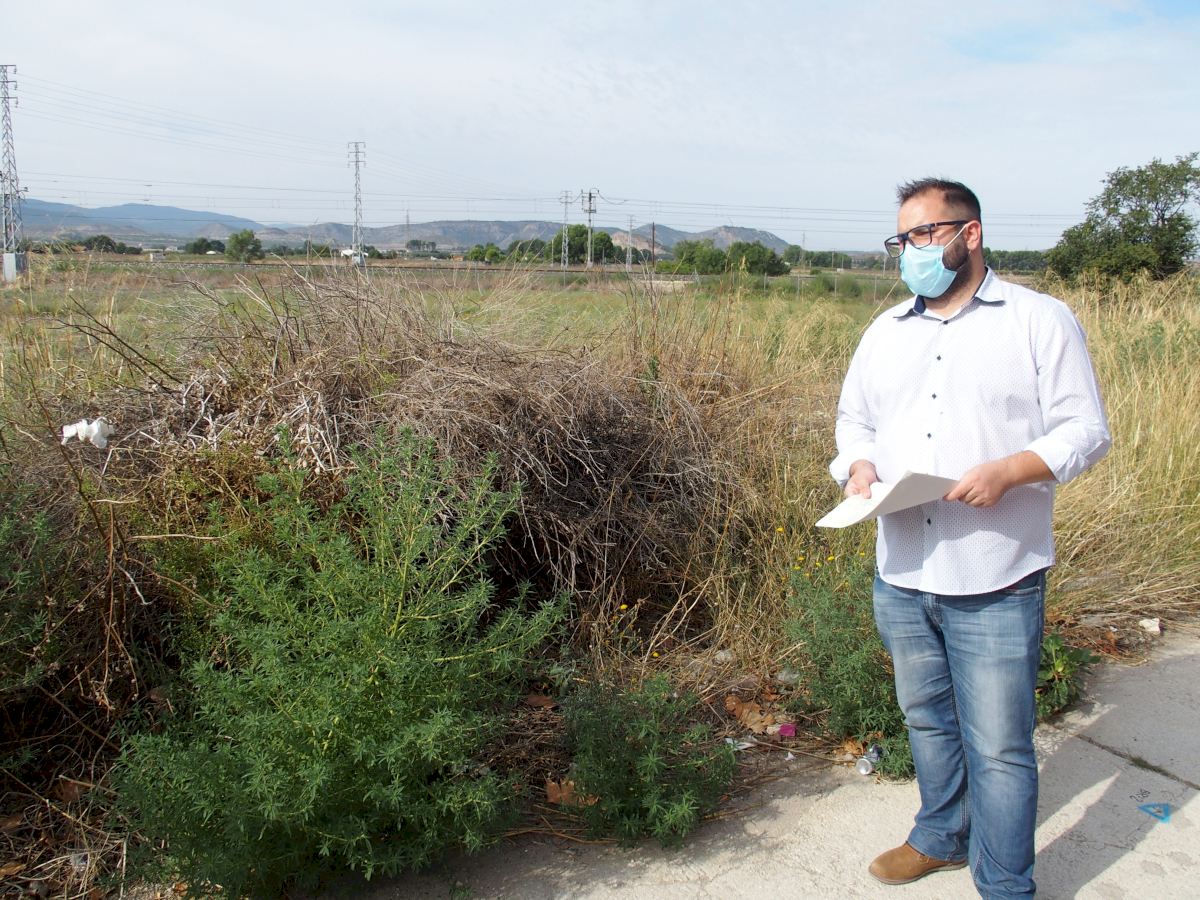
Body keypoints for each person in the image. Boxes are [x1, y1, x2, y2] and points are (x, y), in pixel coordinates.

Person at [830, 178, 1111, 897]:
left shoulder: (1037, 320)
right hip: (903, 570)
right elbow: (854, 422)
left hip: (995, 574)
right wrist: (858, 466)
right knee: (927, 720)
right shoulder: (885, 332)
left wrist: (1012, 471)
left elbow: (1085, 429)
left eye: (924, 235)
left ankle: (1006, 883)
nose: (911, 252)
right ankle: (940, 836)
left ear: (970, 234)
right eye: (902, 240)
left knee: (1000, 748)